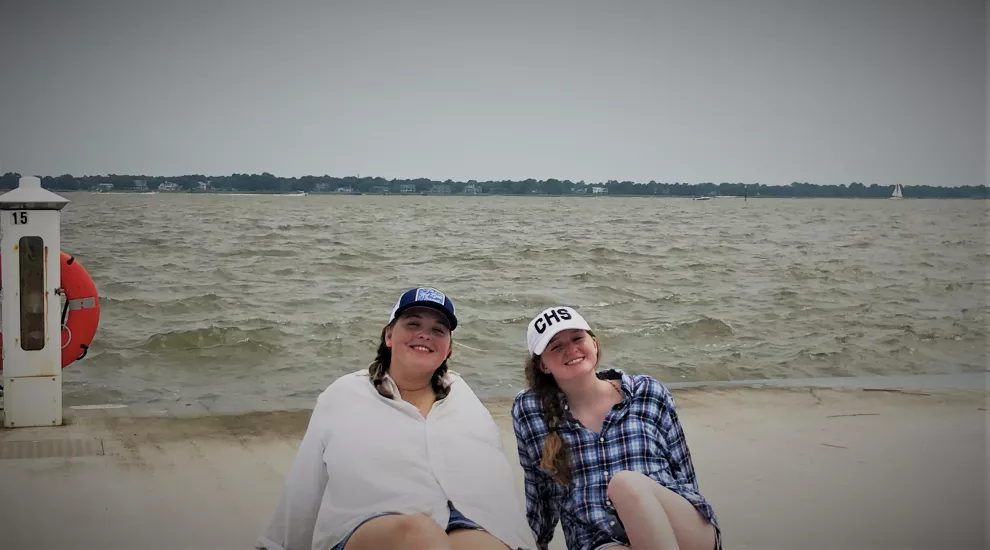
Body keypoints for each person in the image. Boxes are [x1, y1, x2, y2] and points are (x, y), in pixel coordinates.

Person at [257, 287, 538, 550]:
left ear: (448, 348)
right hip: (367, 523)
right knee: (419, 534)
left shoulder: (462, 397)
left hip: (460, 519)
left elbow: (494, 477)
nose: (425, 334)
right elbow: (306, 482)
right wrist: (279, 544)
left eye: (438, 329)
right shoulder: (344, 395)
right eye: (413, 324)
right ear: (389, 336)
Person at [511, 306, 720, 550]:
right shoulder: (532, 411)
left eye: (578, 338)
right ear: (543, 365)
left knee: (625, 485)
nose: (571, 349)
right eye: (556, 346)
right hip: (600, 538)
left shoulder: (647, 392)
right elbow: (539, 492)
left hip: (679, 527)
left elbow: (683, 473)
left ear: (595, 344)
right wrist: (535, 543)